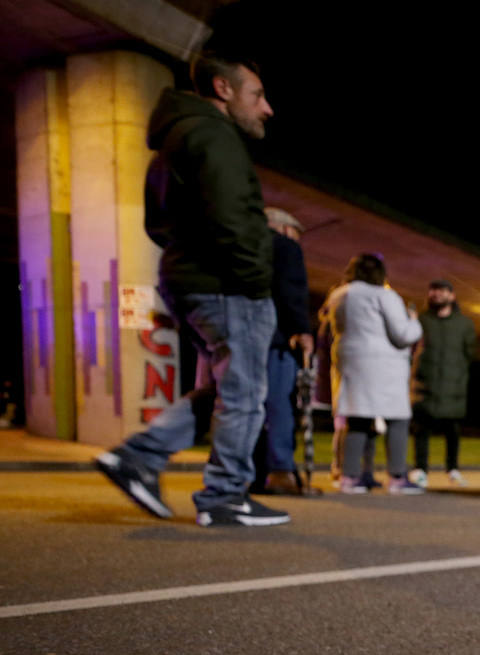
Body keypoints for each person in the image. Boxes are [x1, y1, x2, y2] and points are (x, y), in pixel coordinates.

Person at [94, 49, 289, 528]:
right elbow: (230, 222)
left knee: (221, 390)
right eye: (258, 96)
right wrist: (255, 283)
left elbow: (159, 225)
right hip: (227, 287)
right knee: (242, 395)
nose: (267, 108)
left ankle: (139, 456)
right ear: (223, 90)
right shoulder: (213, 136)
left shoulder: (175, 141)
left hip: (190, 279)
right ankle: (224, 496)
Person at [322, 253, 424, 494]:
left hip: (349, 360)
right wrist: (414, 322)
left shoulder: (338, 295)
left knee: (357, 419)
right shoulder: (384, 296)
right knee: (398, 419)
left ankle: (351, 476)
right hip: (383, 364)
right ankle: (398, 477)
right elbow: (403, 334)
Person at [251, 207, 318, 496]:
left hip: (240, 337)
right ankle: (280, 471)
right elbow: (291, 290)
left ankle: (251, 472)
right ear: (285, 228)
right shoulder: (284, 246)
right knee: (279, 405)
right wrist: (302, 330)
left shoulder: (242, 245)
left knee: (247, 407)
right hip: (275, 339)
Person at [408, 279, 476, 488]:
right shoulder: (421, 320)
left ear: (452, 296)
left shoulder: (464, 323)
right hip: (425, 386)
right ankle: (421, 469)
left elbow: (469, 353)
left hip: (453, 387)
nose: (436, 294)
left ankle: (453, 469)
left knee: (453, 431)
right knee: (421, 429)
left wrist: (457, 376)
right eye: (433, 291)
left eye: (441, 291)